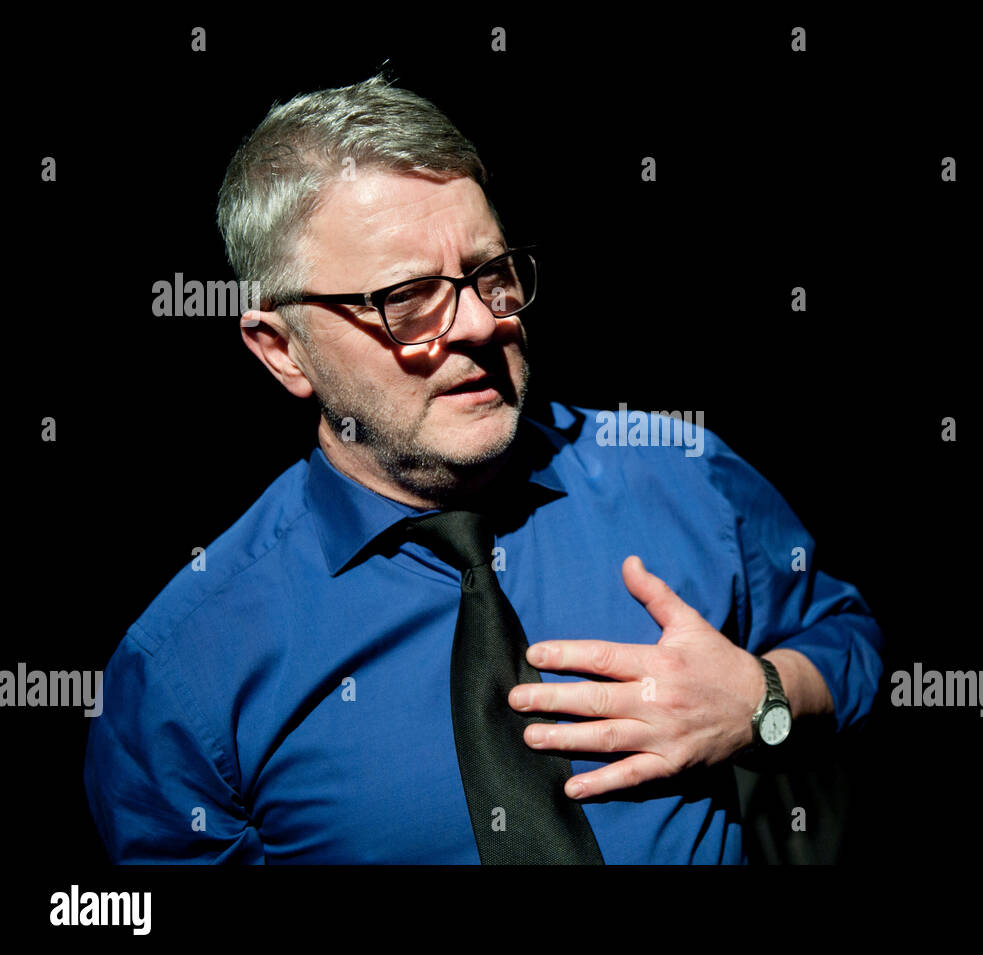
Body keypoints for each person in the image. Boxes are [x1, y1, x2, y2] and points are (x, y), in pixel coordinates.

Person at [84, 74, 885, 864]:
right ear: (283, 349)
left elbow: (847, 642)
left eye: (491, 274)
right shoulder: (183, 675)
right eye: (410, 296)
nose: (476, 323)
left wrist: (761, 703)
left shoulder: (680, 478)